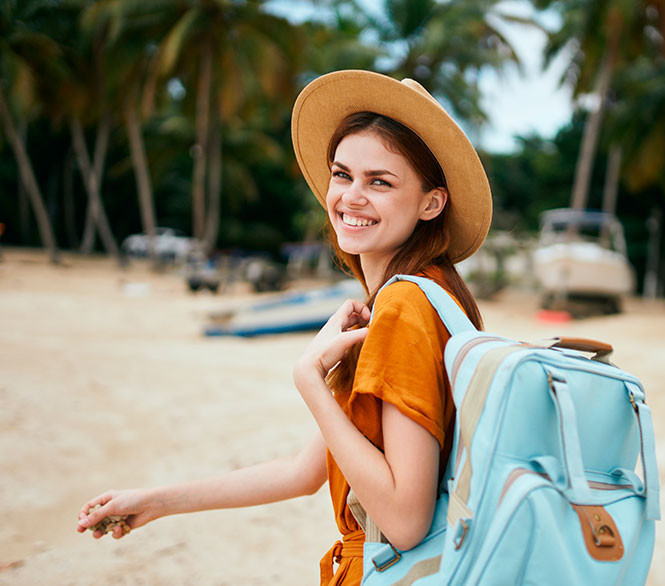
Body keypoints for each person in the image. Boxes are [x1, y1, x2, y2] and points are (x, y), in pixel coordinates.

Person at [76, 70, 492, 586]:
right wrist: (157, 501)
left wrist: (309, 380)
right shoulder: (421, 297)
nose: (351, 196)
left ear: (432, 203)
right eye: (343, 175)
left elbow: (405, 521)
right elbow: (303, 472)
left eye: (380, 181)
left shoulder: (407, 306)